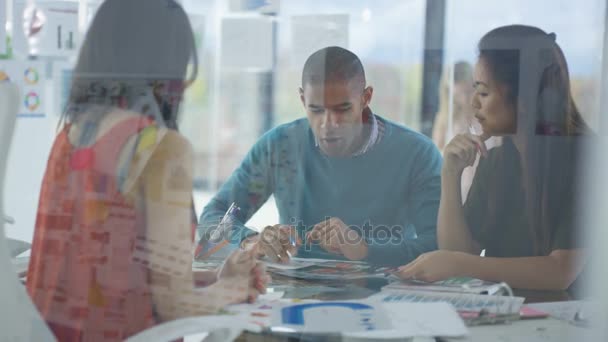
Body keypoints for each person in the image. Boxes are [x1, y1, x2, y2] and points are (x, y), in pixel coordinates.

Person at [25, 1, 268, 340]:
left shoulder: (69, 137)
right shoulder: (161, 148)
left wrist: (216, 278)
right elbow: (175, 306)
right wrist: (233, 289)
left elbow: (120, 275)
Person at [199, 46, 442, 266]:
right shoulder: (279, 147)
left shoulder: (417, 154)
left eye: (342, 109)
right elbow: (214, 217)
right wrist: (251, 241)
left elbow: (439, 245)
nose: (329, 123)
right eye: (316, 109)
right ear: (303, 99)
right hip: (298, 296)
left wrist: (365, 249)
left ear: (366, 98)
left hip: (388, 297)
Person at [395, 25, 589, 290]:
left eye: (484, 92)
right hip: (510, 316)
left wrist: (459, 263)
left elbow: (559, 272)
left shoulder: (589, 162)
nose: (473, 103)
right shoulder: (496, 159)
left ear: (525, 98)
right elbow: (460, 251)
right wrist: (450, 175)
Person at [432, 61, 474, 151]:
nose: (464, 100)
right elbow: (437, 151)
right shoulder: (444, 116)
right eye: (457, 95)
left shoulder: (486, 115)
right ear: (449, 94)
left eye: (468, 92)